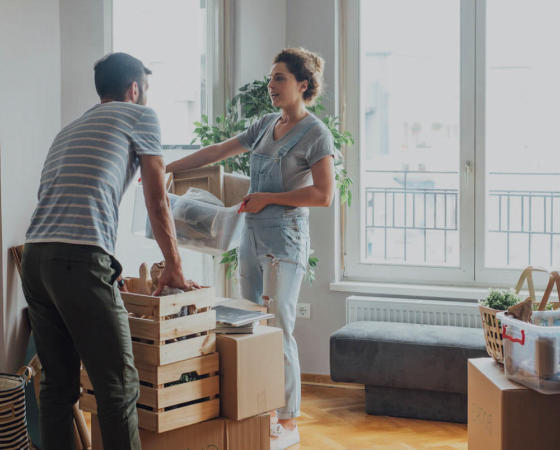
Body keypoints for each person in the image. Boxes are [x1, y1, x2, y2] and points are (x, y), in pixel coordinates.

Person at [21, 52, 196, 450]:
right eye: (145, 90)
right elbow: (156, 197)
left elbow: (56, 196)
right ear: (134, 89)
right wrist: (174, 265)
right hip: (78, 260)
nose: (146, 97)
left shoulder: (69, 129)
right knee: (117, 387)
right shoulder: (140, 116)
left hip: (36, 258)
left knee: (57, 388)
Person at [166, 47, 335, 450]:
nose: (271, 85)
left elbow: (325, 195)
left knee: (279, 326)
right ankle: (262, 408)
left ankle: (288, 418)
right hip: (251, 235)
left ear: (302, 85)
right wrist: (166, 167)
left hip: (285, 242)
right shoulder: (264, 124)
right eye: (271, 77)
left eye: (279, 78)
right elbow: (217, 152)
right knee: (251, 324)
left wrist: (270, 199)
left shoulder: (316, 134)